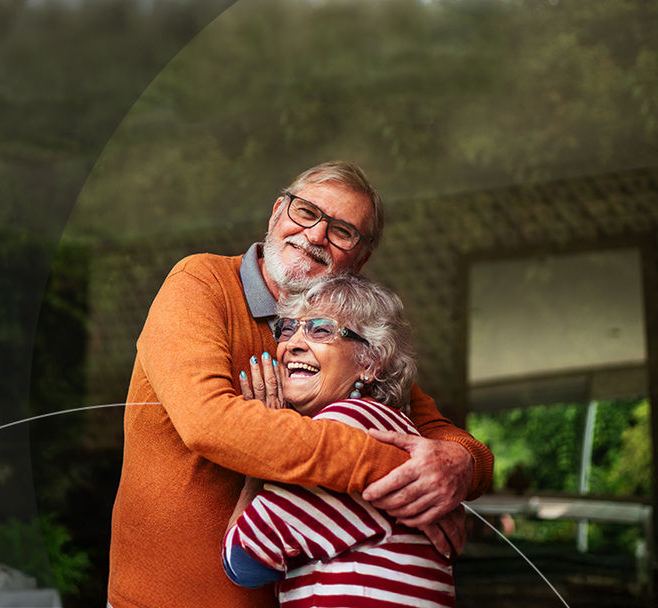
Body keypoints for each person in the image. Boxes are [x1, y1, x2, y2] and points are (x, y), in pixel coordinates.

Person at [107, 161, 493, 608]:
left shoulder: (354, 338)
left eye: (342, 230)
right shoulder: (201, 282)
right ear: (277, 214)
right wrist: (397, 474)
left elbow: (433, 428)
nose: (314, 236)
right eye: (306, 212)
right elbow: (209, 423)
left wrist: (460, 466)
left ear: (361, 259)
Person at [224, 274, 455, 607]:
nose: (293, 343)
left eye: (320, 329)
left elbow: (244, 560)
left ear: (370, 363)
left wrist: (263, 443)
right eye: (288, 328)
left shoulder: (348, 426)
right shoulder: (386, 425)